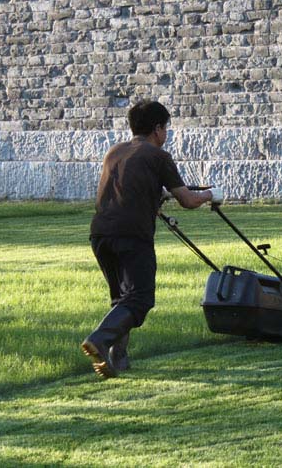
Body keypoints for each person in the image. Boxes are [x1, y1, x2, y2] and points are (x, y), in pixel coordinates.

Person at [82, 100, 222, 379]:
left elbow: (126, 190)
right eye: (166, 127)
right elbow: (187, 199)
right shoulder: (158, 156)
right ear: (157, 129)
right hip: (132, 235)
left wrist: (156, 197)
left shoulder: (114, 152)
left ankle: (117, 360)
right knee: (140, 299)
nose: (166, 133)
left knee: (122, 299)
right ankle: (100, 339)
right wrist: (211, 194)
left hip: (100, 234)